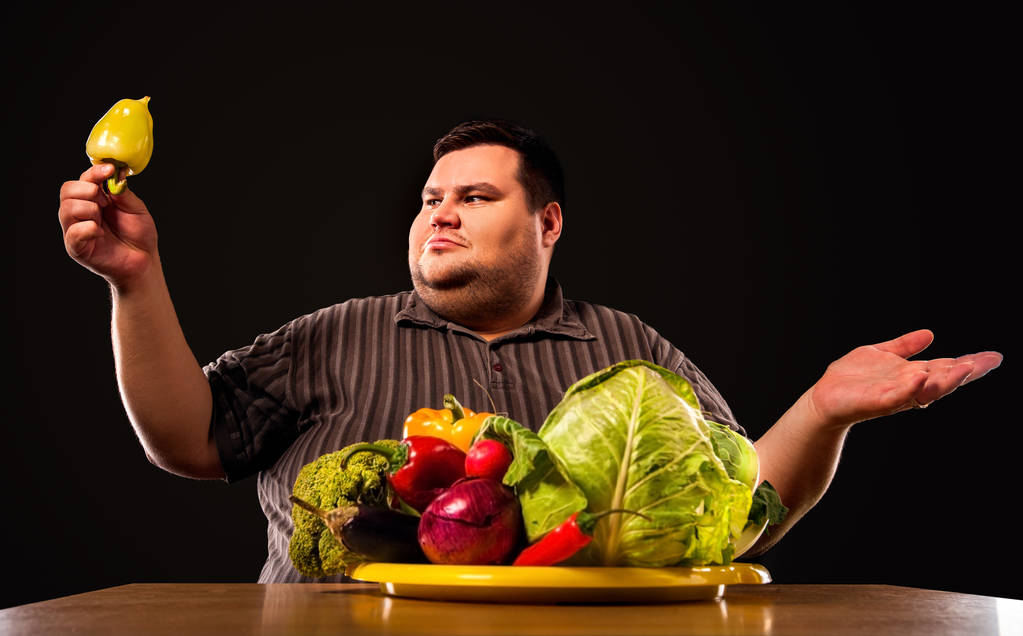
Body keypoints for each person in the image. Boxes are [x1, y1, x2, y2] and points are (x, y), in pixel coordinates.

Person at [58, 119, 1002, 582]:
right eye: (431, 199)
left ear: (546, 222)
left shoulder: (629, 348)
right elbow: (187, 441)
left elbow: (734, 510)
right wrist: (134, 280)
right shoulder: (334, 332)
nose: (440, 214)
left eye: (474, 197)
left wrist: (823, 411)